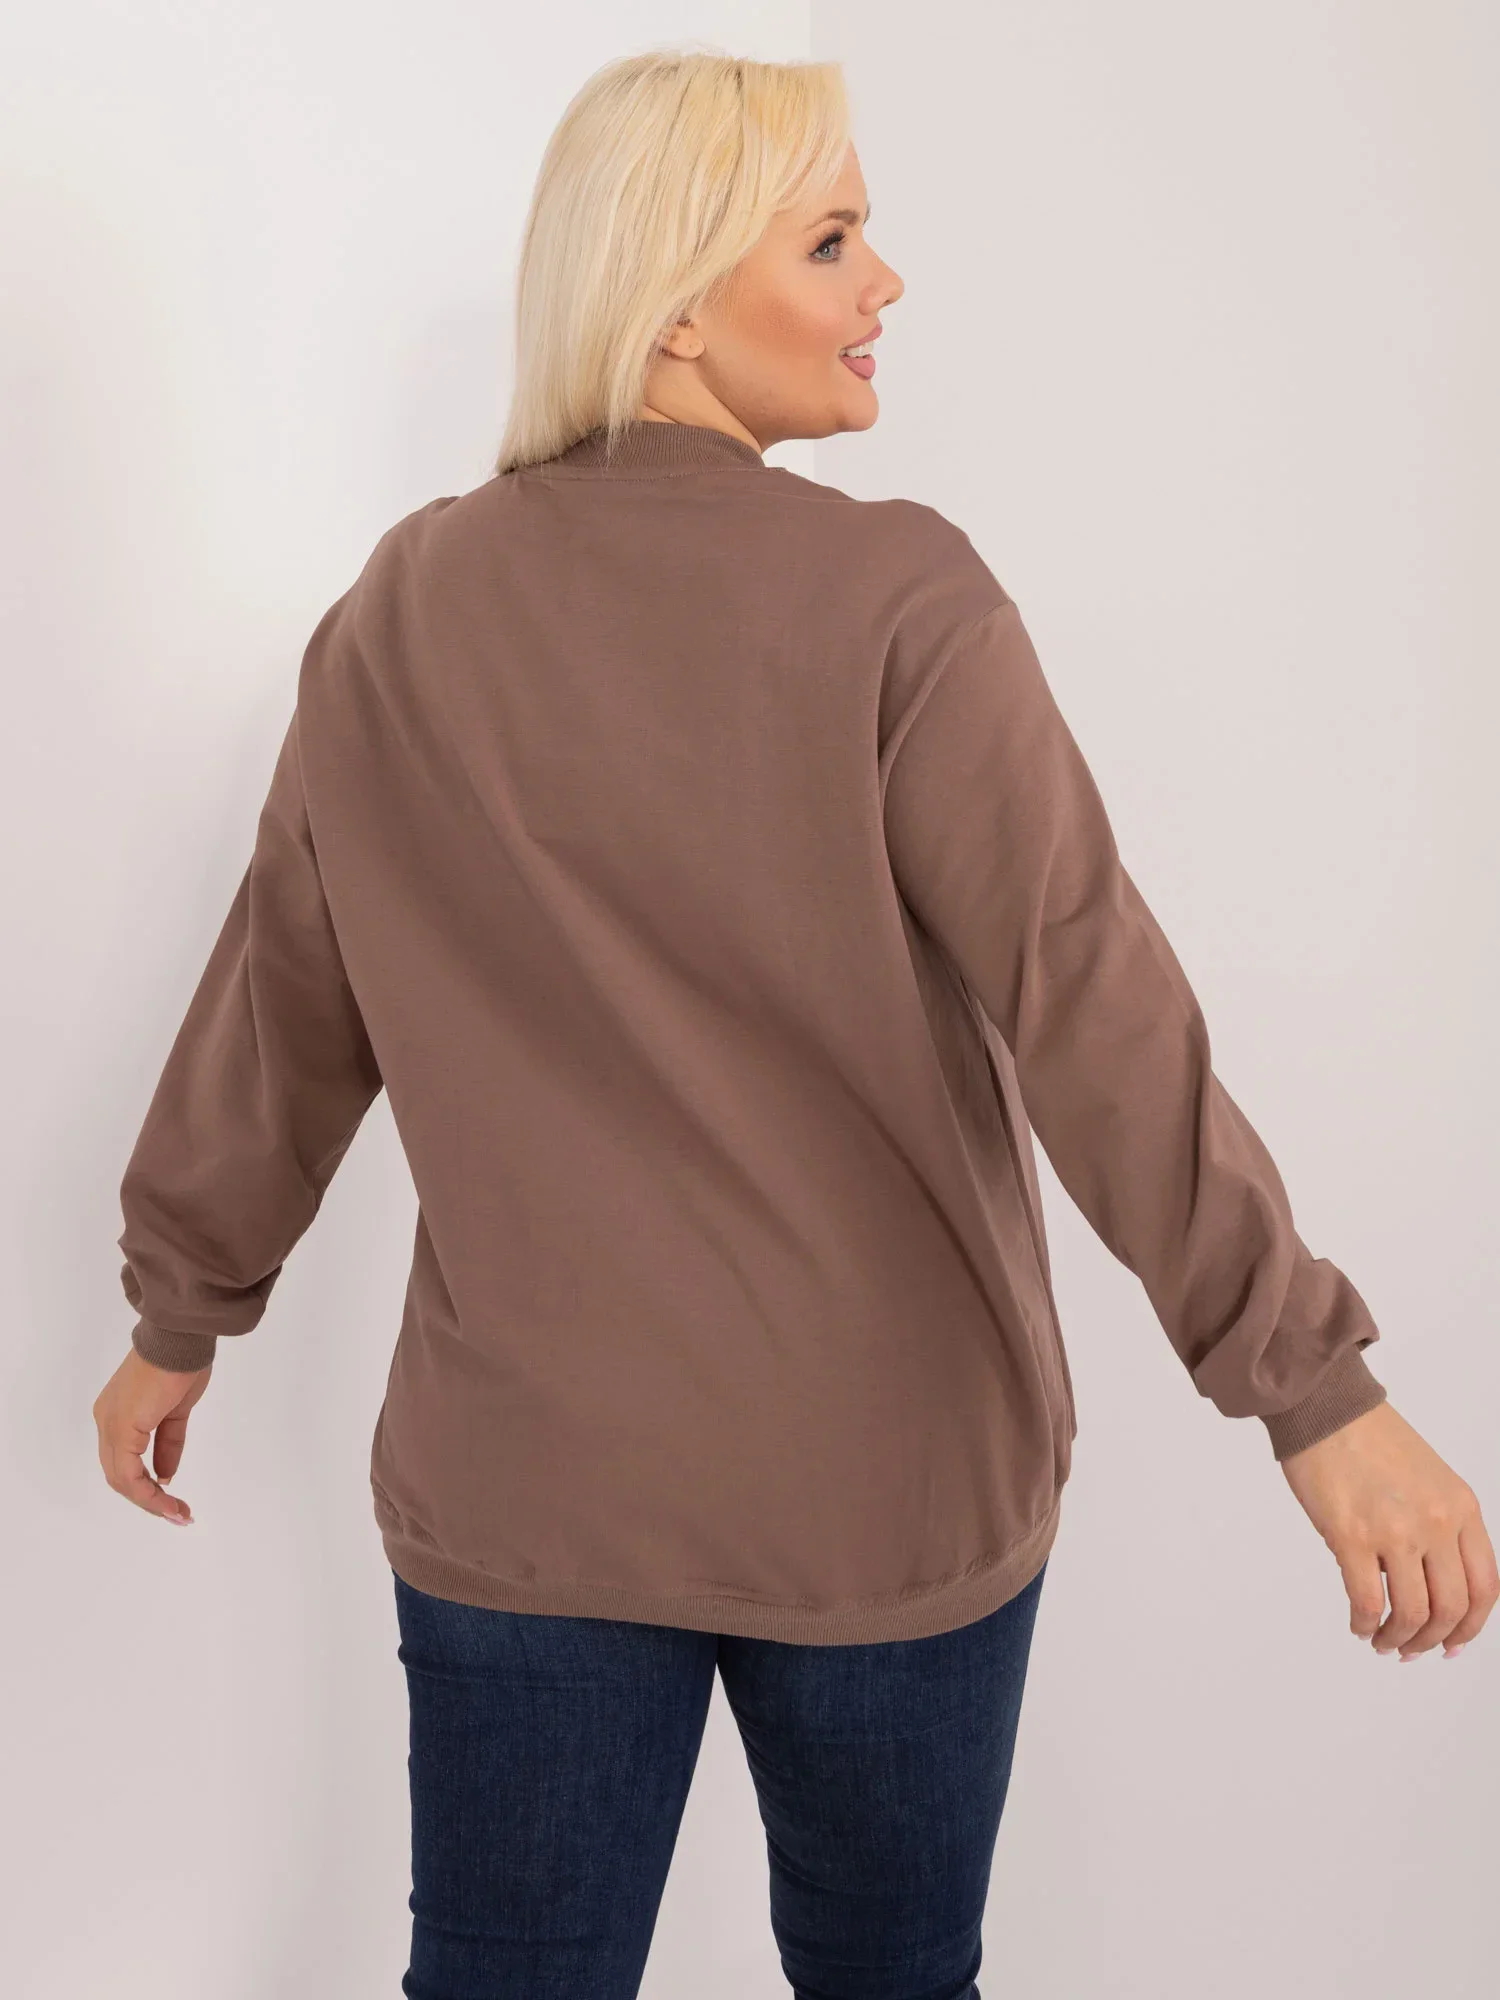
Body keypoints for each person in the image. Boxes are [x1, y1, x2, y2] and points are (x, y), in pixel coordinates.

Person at [93, 47, 1495, 2000]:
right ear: (674, 307)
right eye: (831, 240)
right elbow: (1091, 1003)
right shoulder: (899, 602)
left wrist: (182, 1310)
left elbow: (280, 1010)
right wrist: (1311, 1391)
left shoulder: (402, 608)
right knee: (893, 1979)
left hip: (534, 1486)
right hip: (891, 1488)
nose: (884, 281)